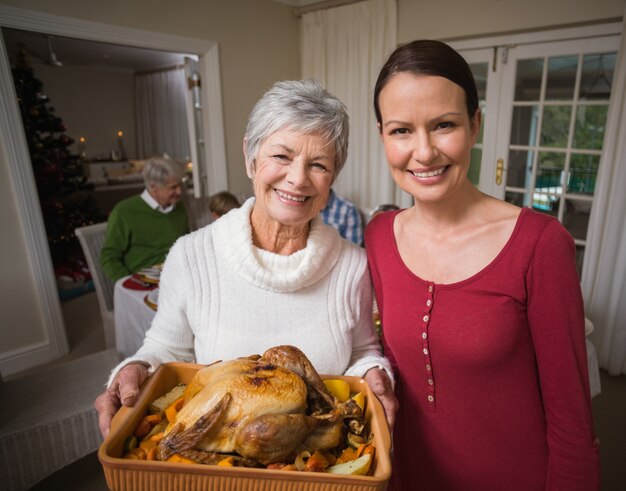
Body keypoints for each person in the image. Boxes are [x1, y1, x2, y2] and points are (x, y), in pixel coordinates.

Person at [95, 79, 398, 439]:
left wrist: (374, 373)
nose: (298, 179)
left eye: (318, 164)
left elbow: (362, 351)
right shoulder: (191, 256)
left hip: (319, 461)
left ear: (332, 178)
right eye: (281, 156)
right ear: (250, 158)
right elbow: (164, 349)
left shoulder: (352, 265)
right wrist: (134, 369)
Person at [365, 40, 600, 490]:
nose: (424, 151)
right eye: (401, 131)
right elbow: (392, 360)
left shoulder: (539, 244)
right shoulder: (378, 234)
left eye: (444, 125)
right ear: (382, 136)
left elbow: (572, 421)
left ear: (475, 124)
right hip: (409, 476)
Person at [100, 156, 189, 282]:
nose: (179, 191)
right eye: (173, 187)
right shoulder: (124, 212)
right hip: (145, 283)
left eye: (180, 185)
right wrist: (128, 283)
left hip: (179, 277)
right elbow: (109, 257)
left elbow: (185, 244)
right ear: (153, 187)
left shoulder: (178, 207)